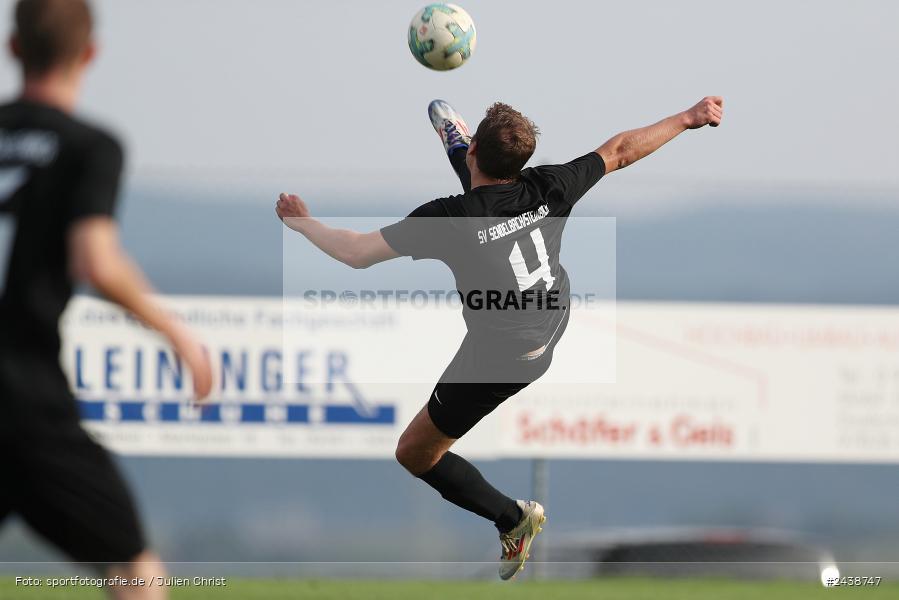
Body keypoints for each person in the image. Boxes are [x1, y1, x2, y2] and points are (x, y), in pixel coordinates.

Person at [276, 95, 723, 579]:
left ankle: (513, 519)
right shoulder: (551, 184)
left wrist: (304, 224)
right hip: (549, 318)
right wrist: (687, 118)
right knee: (483, 213)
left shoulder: (448, 218)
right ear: (521, 163)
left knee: (415, 453)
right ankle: (457, 142)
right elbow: (620, 150)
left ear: (476, 154)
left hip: (501, 358)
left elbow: (358, 253)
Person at [0, 1, 213, 598]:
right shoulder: (88, 147)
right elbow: (96, 259)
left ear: (13, 49)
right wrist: (177, 332)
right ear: (89, 54)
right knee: (135, 575)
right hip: (24, 397)